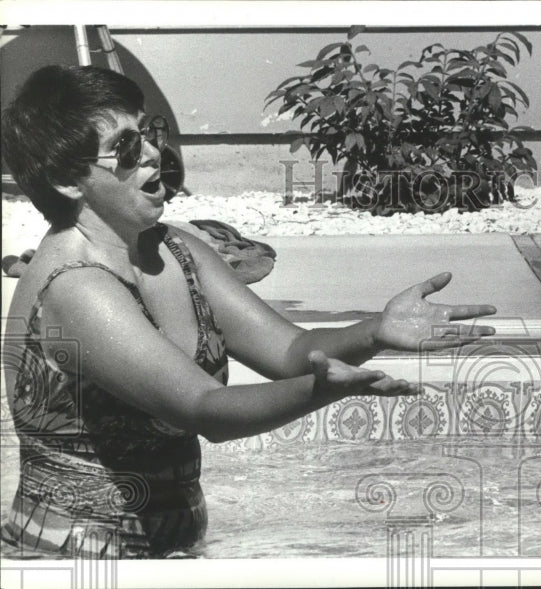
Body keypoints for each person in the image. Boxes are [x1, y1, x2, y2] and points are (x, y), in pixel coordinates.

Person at [0, 65, 497, 558]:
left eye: (150, 131)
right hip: (72, 560)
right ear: (69, 180)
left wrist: (376, 331)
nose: (153, 152)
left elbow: (291, 352)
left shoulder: (178, 250)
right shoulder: (75, 289)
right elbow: (205, 410)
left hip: (169, 552)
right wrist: (317, 391)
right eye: (127, 148)